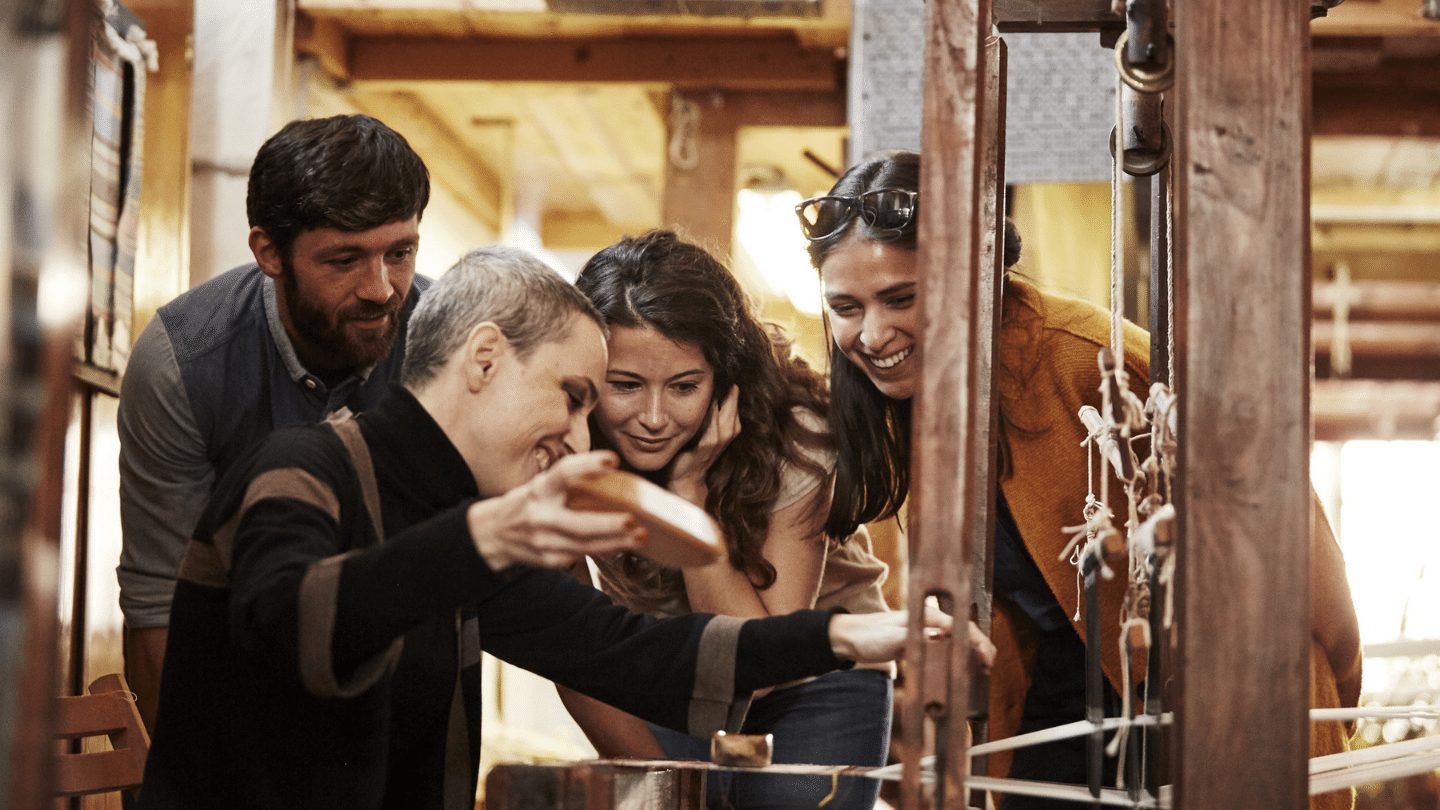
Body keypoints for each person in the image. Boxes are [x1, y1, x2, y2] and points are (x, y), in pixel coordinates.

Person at [139, 246, 976, 810]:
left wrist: (849, 639)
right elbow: (298, 630)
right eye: (577, 395)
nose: (584, 437)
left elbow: (632, 654)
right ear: (484, 359)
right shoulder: (300, 467)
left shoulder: (467, 522)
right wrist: (487, 540)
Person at [799, 150, 1363, 809]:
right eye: (845, 306)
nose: (872, 332)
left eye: (901, 298)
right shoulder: (909, 406)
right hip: (1068, 710)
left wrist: (1333, 707)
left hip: (1222, 701)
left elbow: (1296, 540)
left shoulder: (1089, 359)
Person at [117, 114, 432, 729]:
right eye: (344, 259)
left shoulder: (446, 343)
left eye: (401, 252)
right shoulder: (184, 362)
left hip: (403, 693)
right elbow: (161, 607)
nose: (381, 288)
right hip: (231, 688)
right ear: (269, 253)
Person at [562, 230, 895, 809]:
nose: (654, 418)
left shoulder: (799, 436)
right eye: (626, 386)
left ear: (723, 378)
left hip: (815, 677)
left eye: (685, 386)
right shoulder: (560, 444)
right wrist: (667, 786)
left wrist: (690, 497)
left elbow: (762, 661)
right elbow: (569, 650)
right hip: (671, 668)